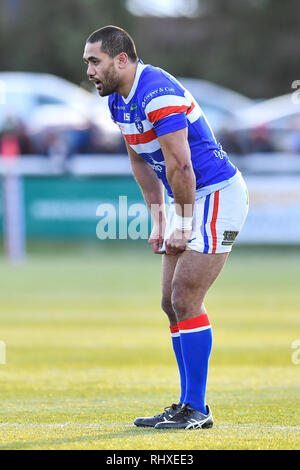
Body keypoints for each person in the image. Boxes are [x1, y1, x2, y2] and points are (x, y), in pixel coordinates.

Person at [83, 26, 249, 430]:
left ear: (121, 59)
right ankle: (186, 404)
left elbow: (182, 165)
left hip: (216, 193)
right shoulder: (119, 102)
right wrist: (159, 220)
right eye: (87, 61)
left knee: (185, 296)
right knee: (169, 302)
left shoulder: (157, 92)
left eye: (94, 60)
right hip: (188, 197)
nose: (89, 70)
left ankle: (197, 408)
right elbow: (141, 160)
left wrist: (184, 224)